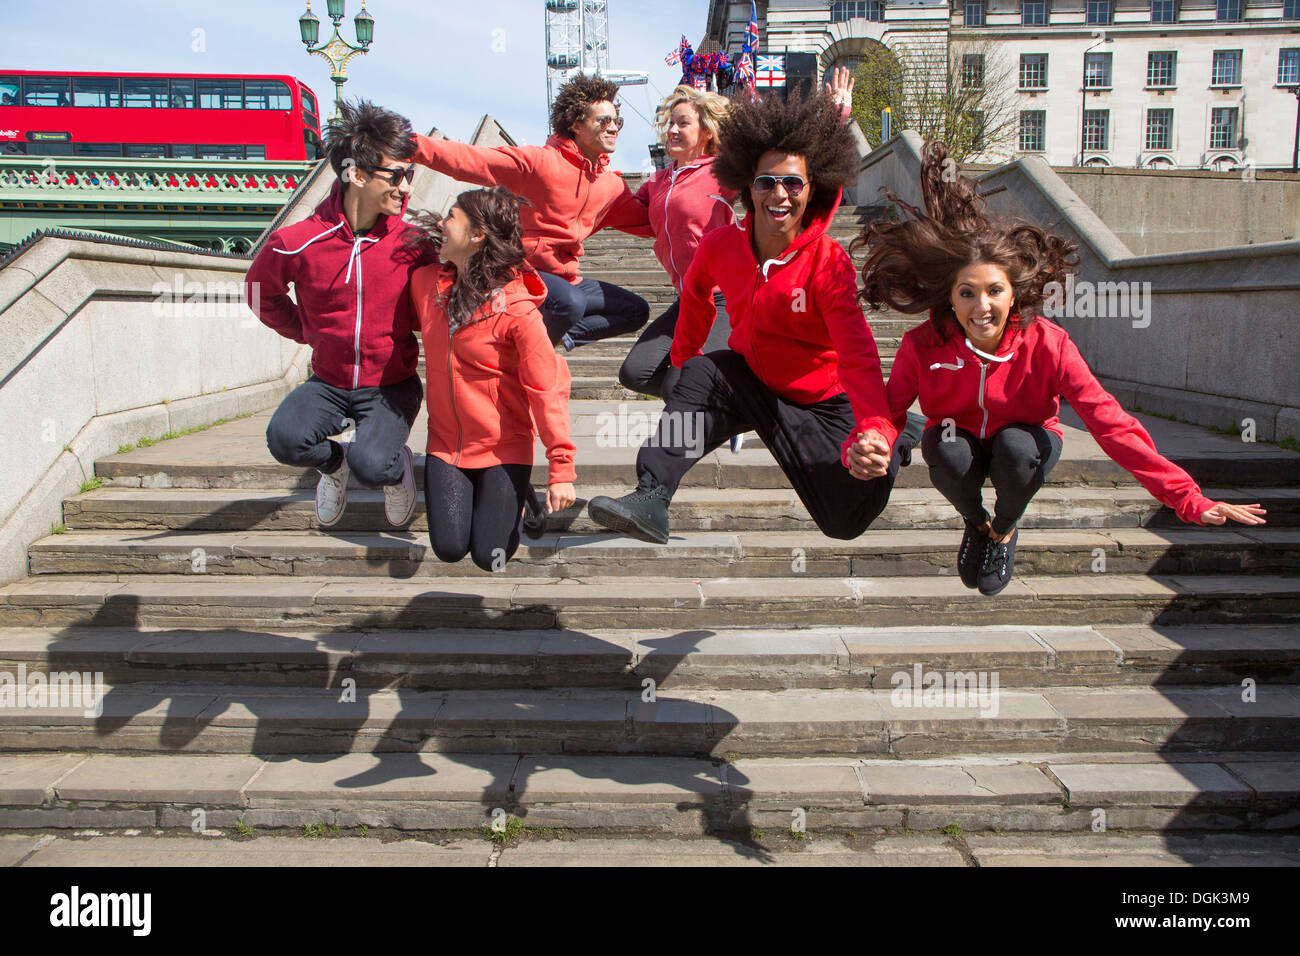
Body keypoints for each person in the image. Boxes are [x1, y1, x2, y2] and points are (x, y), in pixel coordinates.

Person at [853, 141, 1267, 596]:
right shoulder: (923, 346)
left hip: (1027, 443)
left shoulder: (1048, 344)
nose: (981, 305)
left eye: (994, 290)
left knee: (1013, 445)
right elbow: (887, 414)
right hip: (960, 442)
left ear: (1015, 294)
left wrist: (1187, 498)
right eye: (967, 293)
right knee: (944, 446)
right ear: (950, 299)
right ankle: (976, 523)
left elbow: (1111, 425)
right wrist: (870, 439)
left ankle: (1004, 530)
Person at [587, 88, 910, 545]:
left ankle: (899, 436)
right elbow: (696, 298)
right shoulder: (722, 247)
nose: (780, 194)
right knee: (697, 372)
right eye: (766, 182)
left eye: (793, 183)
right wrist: (681, 362)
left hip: (820, 403)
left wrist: (875, 427)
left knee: (843, 521)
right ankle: (652, 495)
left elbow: (857, 356)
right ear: (748, 185)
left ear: (811, 188)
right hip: (752, 378)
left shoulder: (827, 261)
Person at [246, 99, 428, 529]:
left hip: (391, 385)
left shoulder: (415, 243)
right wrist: (305, 330)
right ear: (356, 174)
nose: (406, 187)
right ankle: (333, 466)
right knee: (284, 440)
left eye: (411, 174)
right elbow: (258, 290)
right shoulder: (297, 241)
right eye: (397, 175)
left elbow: (434, 309)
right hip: (328, 382)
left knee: (373, 464)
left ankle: (393, 464)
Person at [410, 73, 649, 351]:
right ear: (576, 124)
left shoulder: (611, 186)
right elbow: (469, 159)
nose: (613, 128)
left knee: (635, 310)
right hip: (519, 271)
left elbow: (654, 220)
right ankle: (524, 354)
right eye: (603, 121)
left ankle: (546, 344)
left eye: (616, 121)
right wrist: (411, 145)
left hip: (565, 279)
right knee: (571, 303)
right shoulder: (539, 163)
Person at [408, 187, 577, 572]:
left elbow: (547, 390)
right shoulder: (425, 285)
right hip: (446, 443)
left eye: (451, 217)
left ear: (478, 233)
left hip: (504, 446)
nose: (441, 223)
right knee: (449, 548)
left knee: (490, 557)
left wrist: (561, 469)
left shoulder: (517, 311)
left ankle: (522, 500)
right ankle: (514, 499)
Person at [616, 85, 737, 402]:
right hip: (688, 299)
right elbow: (626, 213)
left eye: (683, 123)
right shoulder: (658, 182)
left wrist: (837, 113)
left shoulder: (722, 173)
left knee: (678, 387)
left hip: (725, 298)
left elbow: (778, 169)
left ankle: (733, 403)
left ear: (706, 132)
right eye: (670, 123)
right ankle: (726, 402)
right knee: (635, 372)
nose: (672, 130)